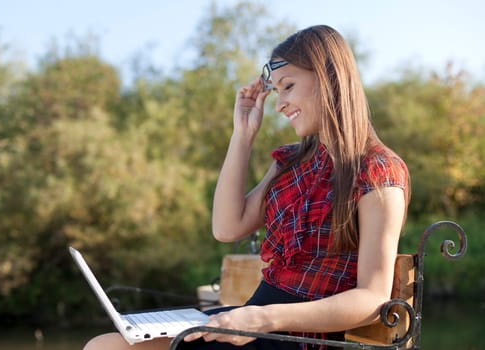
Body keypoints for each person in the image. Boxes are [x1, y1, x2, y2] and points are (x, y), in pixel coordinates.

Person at [82, 24, 410, 350]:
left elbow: (372, 298)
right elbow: (227, 227)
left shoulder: (377, 170)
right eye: (277, 91)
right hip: (254, 321)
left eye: (289, 86)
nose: (280, 104)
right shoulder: (293, 162)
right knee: (105, 345)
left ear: (329, 78)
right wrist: (242, 135)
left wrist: (261, 320)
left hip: (300, 336)